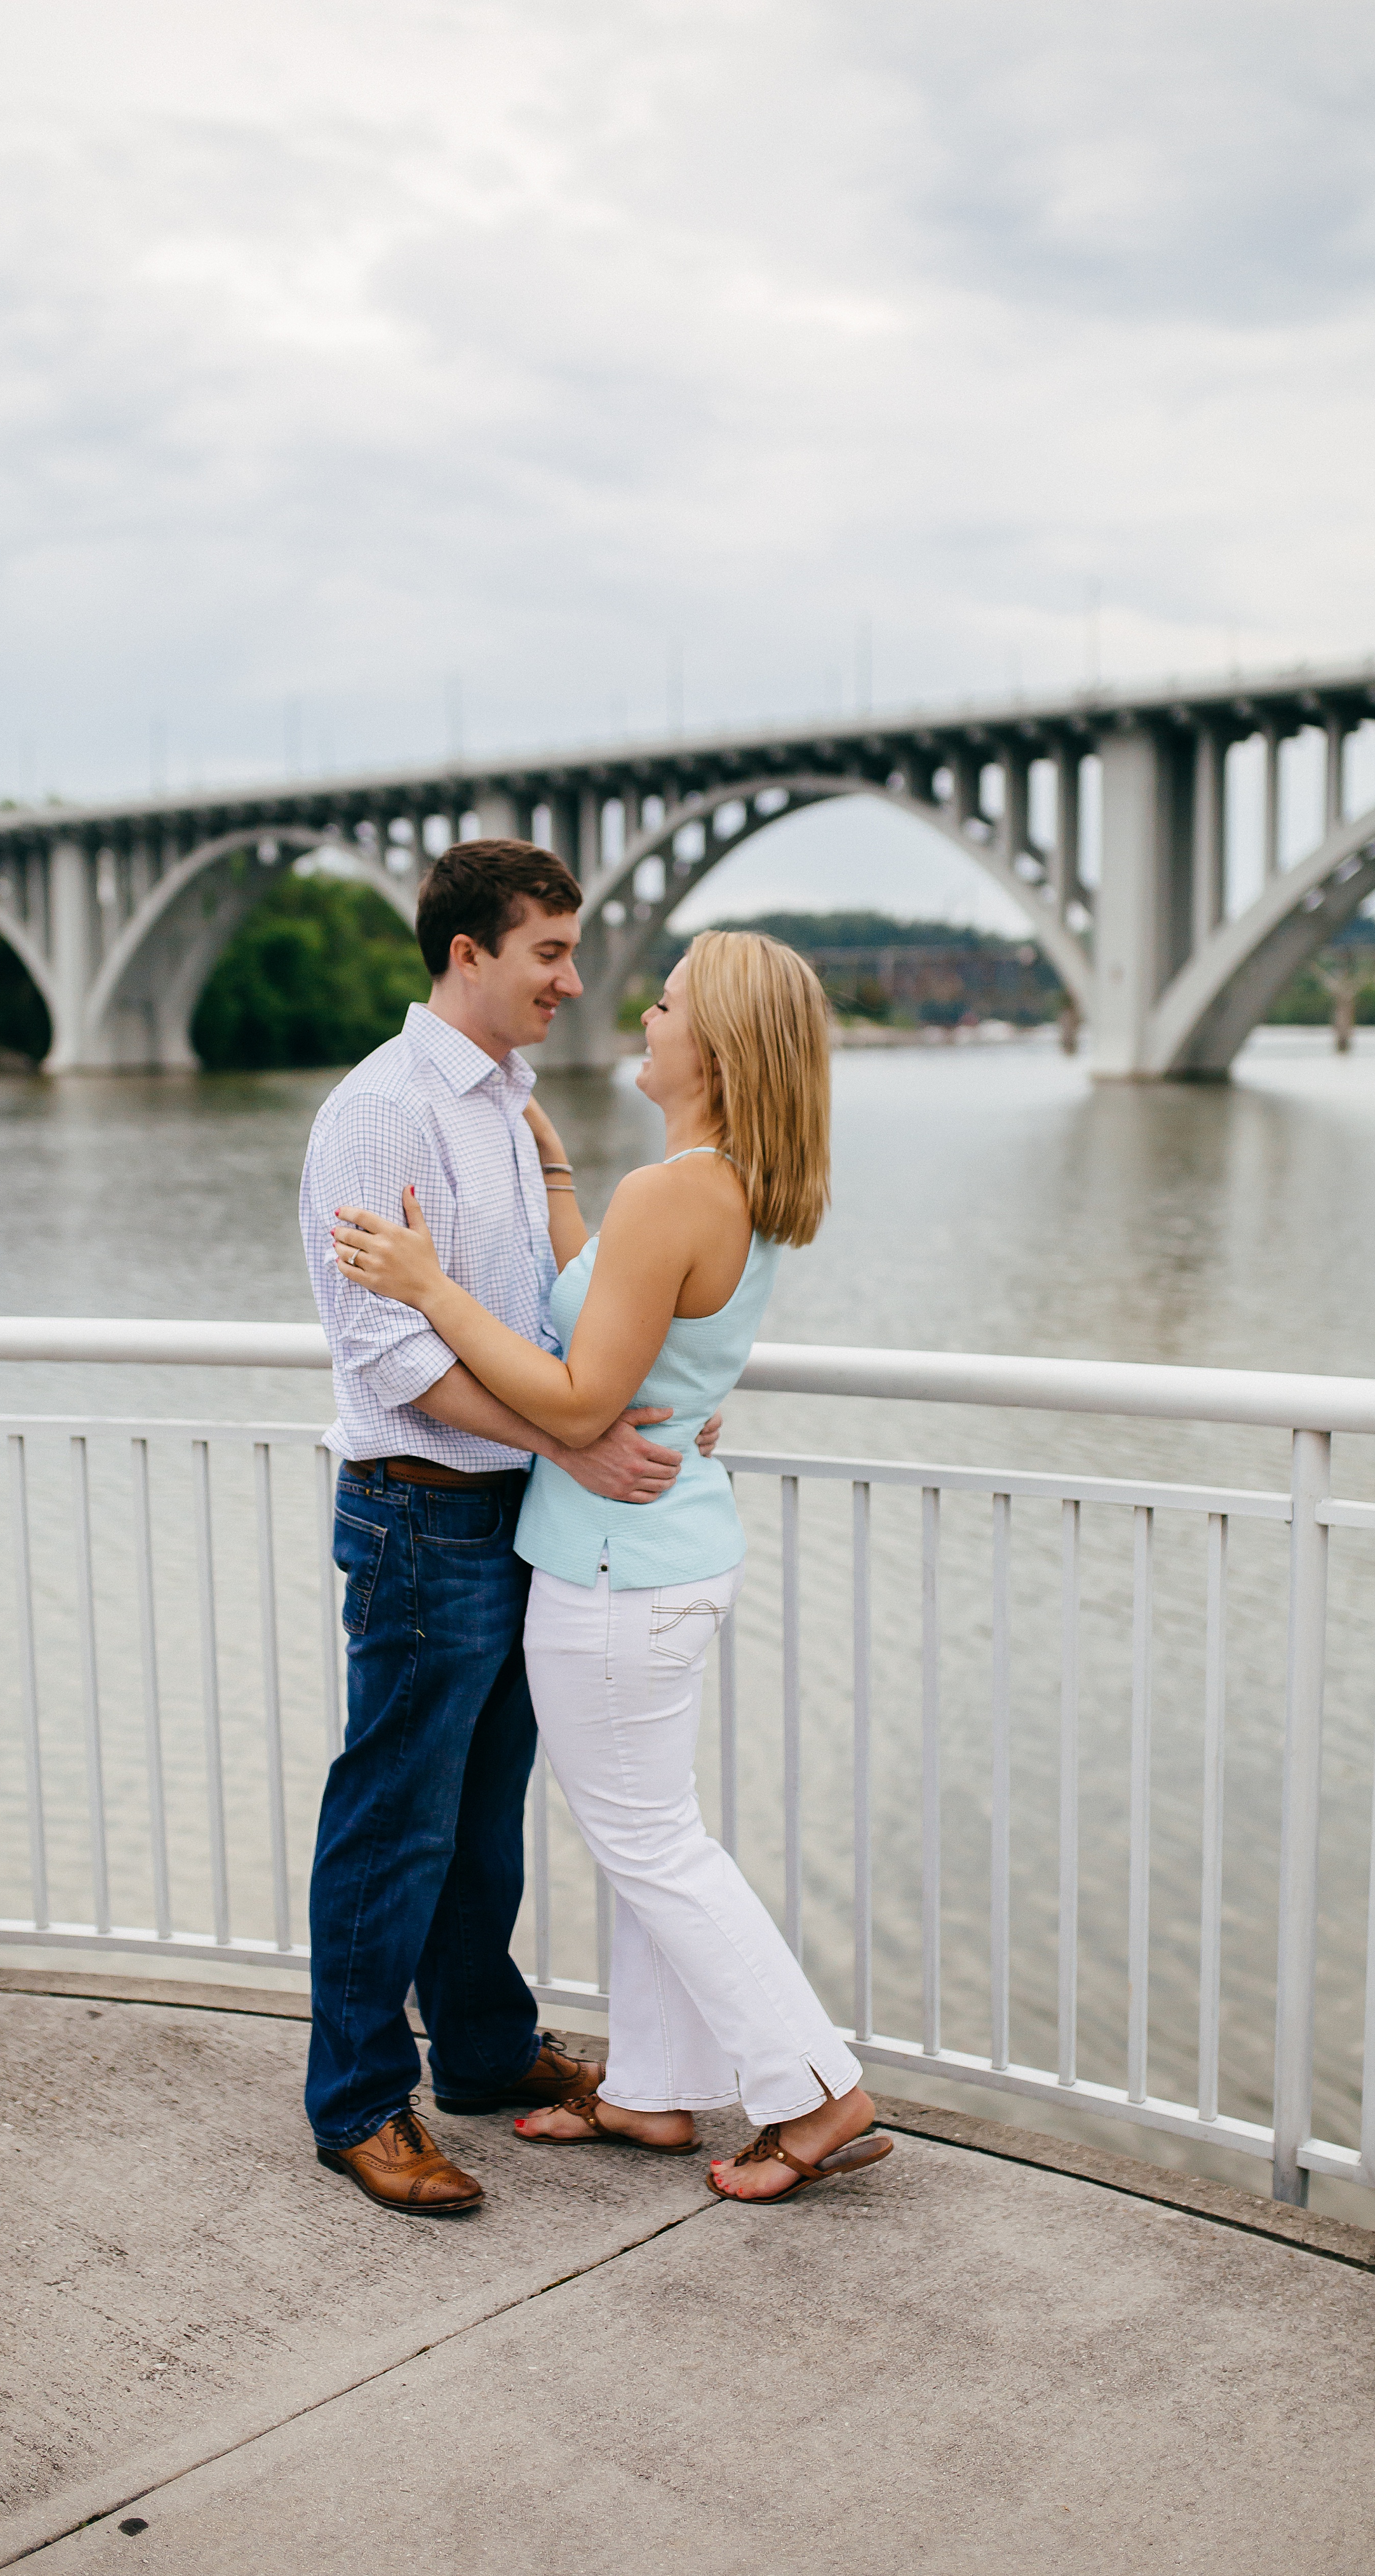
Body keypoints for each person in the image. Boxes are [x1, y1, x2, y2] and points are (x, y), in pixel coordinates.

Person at [332, 928, 892, 2205]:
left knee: (651, 1844)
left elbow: (581, 1401)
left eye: (669, 1000)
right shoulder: (711, 1181)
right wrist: (562, 1172)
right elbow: (609, 1303)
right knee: (648, 1833)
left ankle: (814, 2091)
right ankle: (648, 2092)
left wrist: (428, 1286)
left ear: (719, 1045)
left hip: (615, 1568)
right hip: (661, 1554)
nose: (641, 1010)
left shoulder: (676, 1193)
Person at [298, 836, 725, 2216]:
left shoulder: (505, 1105)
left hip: (516, 1517)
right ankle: (360, 2100)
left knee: (484, 1821)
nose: (573, 977)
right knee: (393, 1821)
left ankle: (482, 2052)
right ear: (466, 953)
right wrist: (570, 1438)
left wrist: (644, 1406)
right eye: (547, 951)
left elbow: (546, 1318)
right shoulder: (383, 1110)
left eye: (573, 949)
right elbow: (391, 1357)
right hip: (421, 1516)